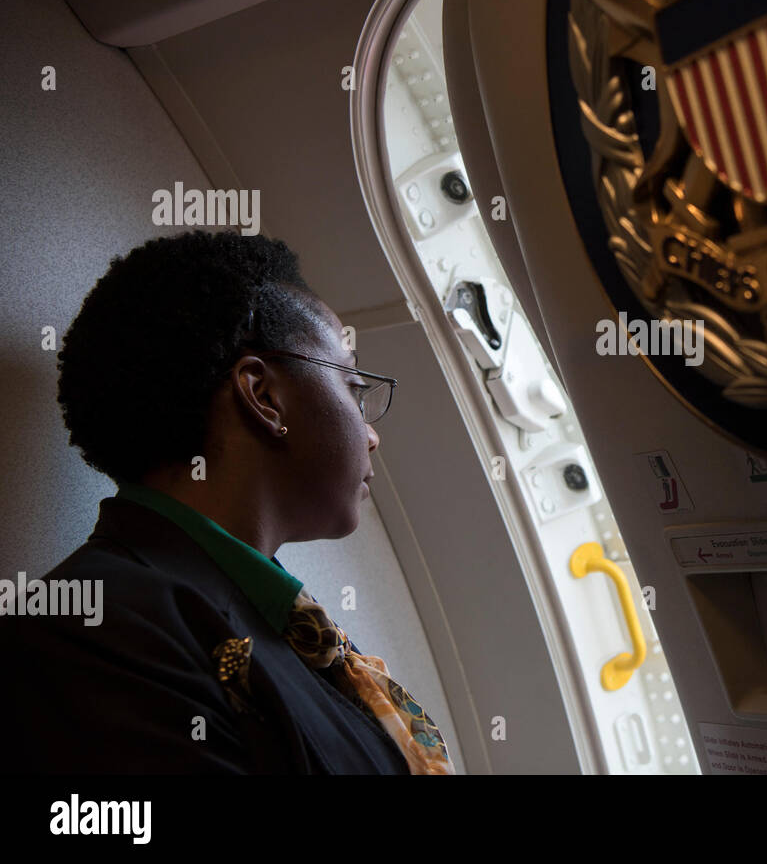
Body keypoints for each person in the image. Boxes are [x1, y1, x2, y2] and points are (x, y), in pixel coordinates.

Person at [0, 228, 453, 773]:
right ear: (264, 397)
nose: (372, 434)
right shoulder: (92, 629)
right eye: (354, 385)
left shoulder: (279, 627)